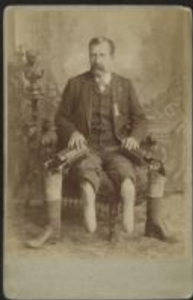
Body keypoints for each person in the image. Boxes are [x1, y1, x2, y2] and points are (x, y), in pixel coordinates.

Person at [27, 37, 178, 248]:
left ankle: (148, 217)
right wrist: (73, 133)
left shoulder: (125, 86)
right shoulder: (76, 84)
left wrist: (134, 137)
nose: (96, 60)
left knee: (127, 170)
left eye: (102, 55)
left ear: (112, 58)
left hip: (117, 148)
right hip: (86, 149)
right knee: (86, 169)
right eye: (93, 54)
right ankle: (79, 204)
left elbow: (141, 119)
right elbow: (61, 117)